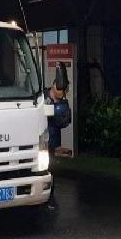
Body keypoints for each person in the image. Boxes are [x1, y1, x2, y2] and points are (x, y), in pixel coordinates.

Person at [44, 78, 71, 210]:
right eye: (62, 90)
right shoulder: (42, 96)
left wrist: (55, 113)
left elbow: (65, 122)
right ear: (54, 86)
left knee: (51, 170)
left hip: (52, 141)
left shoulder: (63, 103)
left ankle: (50, 197)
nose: (64, 93)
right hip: (40, 140)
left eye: (66, 91)